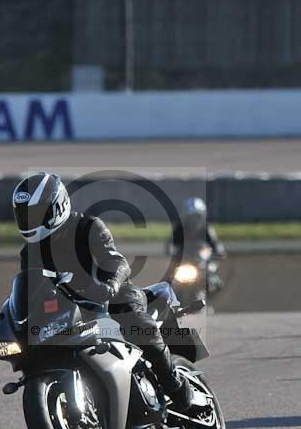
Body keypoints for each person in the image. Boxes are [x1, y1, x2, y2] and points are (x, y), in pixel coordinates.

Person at [13, 172, 195, 410]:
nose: (30, 221)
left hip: (113, 296)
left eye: (35, 214)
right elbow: (33, 289)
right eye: (24, 215)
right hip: (71, 309)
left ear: (56, 208)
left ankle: (174, 386)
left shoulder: (88, 227)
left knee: (138, 324)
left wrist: (110, 286)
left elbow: (117, 262)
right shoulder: (30, 252)